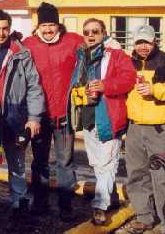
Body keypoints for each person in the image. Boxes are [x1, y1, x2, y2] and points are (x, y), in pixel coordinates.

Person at [0, 9, 45, 223]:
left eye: (5, 28)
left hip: (15, 118)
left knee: (17, 166)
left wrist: (34, 117)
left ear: (10, 29)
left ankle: (18, 204)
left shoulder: (21, 53)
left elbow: (34, 86)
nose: (1, 33)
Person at [124, 25, 165, 234]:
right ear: (133, 43)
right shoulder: (128, 63)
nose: (143, 46)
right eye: (139, 42)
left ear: (155, 41)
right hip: (134, 127)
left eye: (147, 42)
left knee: (161, 177)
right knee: (136, 174)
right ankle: (144, 216)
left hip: (159, 129)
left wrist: (155, 90)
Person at [70, 18, 136, 225]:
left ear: (104, 33)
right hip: (89, 118)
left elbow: (129, 79)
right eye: (87, 31)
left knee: (107, 163)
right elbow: (75, 84)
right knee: (98, 165)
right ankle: (112, 199)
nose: (90, 35)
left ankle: (99, 206)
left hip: (108, 116)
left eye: (95, 32)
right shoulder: (81, 56)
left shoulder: (116, 55)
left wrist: (105, 85)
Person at [22, 2, 83, 221]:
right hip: (39, 116)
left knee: (65, 162)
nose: (48, 30)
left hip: (64, 116)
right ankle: (40, 202)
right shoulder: (28, 44)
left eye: (52, 25)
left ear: (59, 25)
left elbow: (100, 50)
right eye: (44, 25)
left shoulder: (74, 42)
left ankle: (65, 205)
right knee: (39, 162)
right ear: (38, 25)